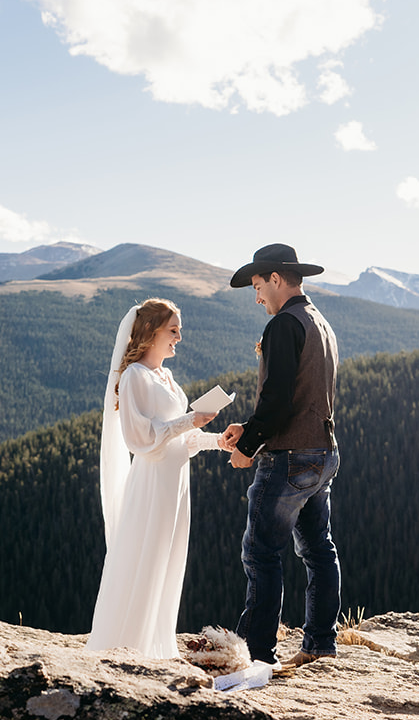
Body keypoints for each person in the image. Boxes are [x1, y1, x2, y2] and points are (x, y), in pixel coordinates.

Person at [218, 243, 342, 670]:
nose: (256, 297)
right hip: (323, 452)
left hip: (288, 456)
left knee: (261, 553)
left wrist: (247, 448)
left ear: (275, 278)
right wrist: (247, 429)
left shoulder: (283, 325)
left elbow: (277, 401)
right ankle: (320, 644)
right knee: (318, 550)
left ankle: (257, 656)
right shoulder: (318, 321)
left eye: (257, 286)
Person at [86, 298, 221, 658]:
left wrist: (218, 441)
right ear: (151, 332)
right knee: (146, 560)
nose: (179, 337)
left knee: (168, 560)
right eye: (173, 330)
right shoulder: (134, 377)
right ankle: (129, 648)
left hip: (176, 482)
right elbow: (140, 439)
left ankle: (155, 643)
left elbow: (182, 439)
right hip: (152, 483)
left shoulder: (167, 377)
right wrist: (189, 420)